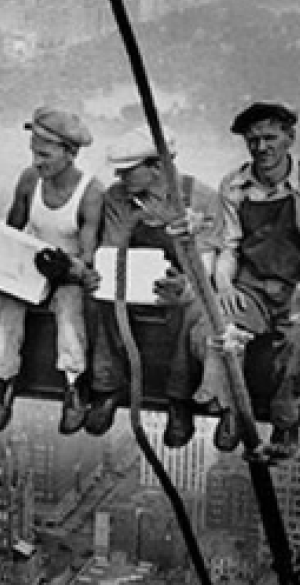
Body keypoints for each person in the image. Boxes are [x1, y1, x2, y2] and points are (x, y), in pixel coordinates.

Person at [85, 128, 222, 448]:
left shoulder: (201, 197)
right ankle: (107, 386)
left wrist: (185, 282)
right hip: (132, 277)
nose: (119, 176)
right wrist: (132, 222)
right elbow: (110, 252)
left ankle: (178, 400)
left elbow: (208, 264)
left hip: (183, 281)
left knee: (190, 309)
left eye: (127, 170)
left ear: (157, 167)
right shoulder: (118, 197)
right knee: (100, 298)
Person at [0, 107, 103, 434]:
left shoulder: (90, 193)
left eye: (45, 154)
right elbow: (14, 228)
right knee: (6, 301)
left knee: (69, 308)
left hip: (67, 272)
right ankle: (3, 379)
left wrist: (69, 267)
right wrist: (6, 261)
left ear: (70, 153)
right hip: (32, 264)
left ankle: (74, 383)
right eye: (34, 152)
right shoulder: (29, 180)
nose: (37, 161)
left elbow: (90, 255)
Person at [192, 102, 300, 457]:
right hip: (252, 285)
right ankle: (232, 410)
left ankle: (286, 426)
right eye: (253, 140)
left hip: (295, 288)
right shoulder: (235, 185)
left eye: (270, 138)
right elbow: (230, 245)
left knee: (295, 344)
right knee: (225, 329)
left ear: (290, 138)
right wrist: (224, 285)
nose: (261, 148)